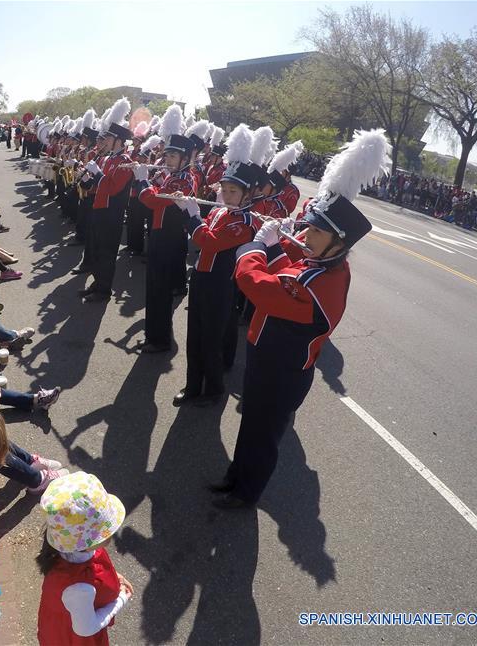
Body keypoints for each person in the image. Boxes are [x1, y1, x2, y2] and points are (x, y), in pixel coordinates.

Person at [211, 129, 389, 509]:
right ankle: (234, 476)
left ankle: (246, 493)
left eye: (317, 231)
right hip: (266, 356)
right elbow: (287, 270)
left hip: (284, 370)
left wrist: (256, 246)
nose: (306, 233)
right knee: (251, 426)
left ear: (339, 244)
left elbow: (259, 285)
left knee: (263, 434)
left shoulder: (322, 284)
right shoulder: (318, 263)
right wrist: (277, 244)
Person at [174, 124, 258, 407]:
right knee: (194, 335)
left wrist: (193, 217)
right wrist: (191, 214)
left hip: (221, 284)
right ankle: (192, 385)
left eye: (234, 191)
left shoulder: (244, 222)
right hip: (201, 277)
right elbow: (203, 234)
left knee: (211, 339)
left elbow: (209, 241)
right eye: (225, 189)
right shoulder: (223, 210)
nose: (227, 195)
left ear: (247, 195)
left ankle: (213, 389)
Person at [36, 472, 132, 646]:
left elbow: (94, 569)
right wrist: (121, 599)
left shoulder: (69, 551)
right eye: (103, 530)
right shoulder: (79, 589)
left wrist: (112, 575)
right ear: (85, 541)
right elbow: (86, 629)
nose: (111, 532)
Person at [135, 134, 199, 352]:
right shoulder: (173, 176)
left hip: (168, 237)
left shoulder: (184, 179)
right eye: (167, 155)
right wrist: (154, 180)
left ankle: (159, 340)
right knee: (154, 286)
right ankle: (154, 335)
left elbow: (153, 201)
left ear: (184, 159)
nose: (167, 160)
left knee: (159, 288)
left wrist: (143, 180)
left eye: (173, 156)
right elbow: (157, 193)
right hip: (160, 234)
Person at [78, 100, 135, 303]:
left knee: (107, 252)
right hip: (99, 208)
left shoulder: (125, 162)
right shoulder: (110, 158)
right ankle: (97, 283)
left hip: (112, 213)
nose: (106, 141)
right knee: (96, 249)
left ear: (119, 140)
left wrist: (98, 173)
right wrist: (85, 178)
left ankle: (103, 290)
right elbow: (99, 184)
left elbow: (113, 188)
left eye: (109, 137)